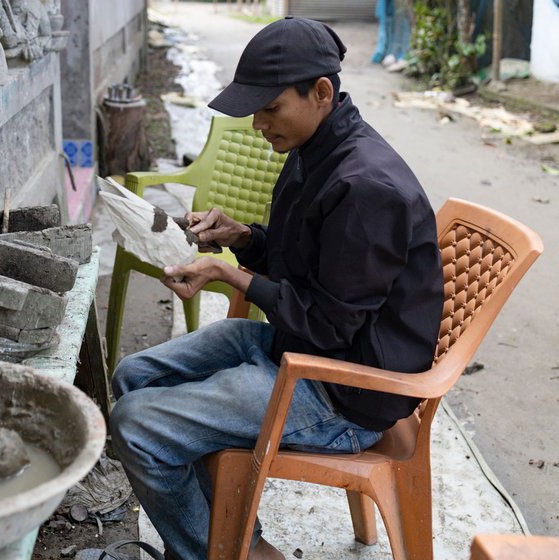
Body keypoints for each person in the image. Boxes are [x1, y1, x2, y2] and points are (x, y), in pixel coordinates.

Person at [109, 16, 443, 560]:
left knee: (138, 425)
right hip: (299, 348)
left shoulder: (365, 188)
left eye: (270, 107)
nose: (260, 123)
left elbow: (328, 323)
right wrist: (242, 237)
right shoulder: (312, 148)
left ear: (321, 92)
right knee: (133, 377)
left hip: (343, 390)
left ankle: (231, 552)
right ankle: (224, 529)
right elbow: (303, 264)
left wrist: (227, 273)